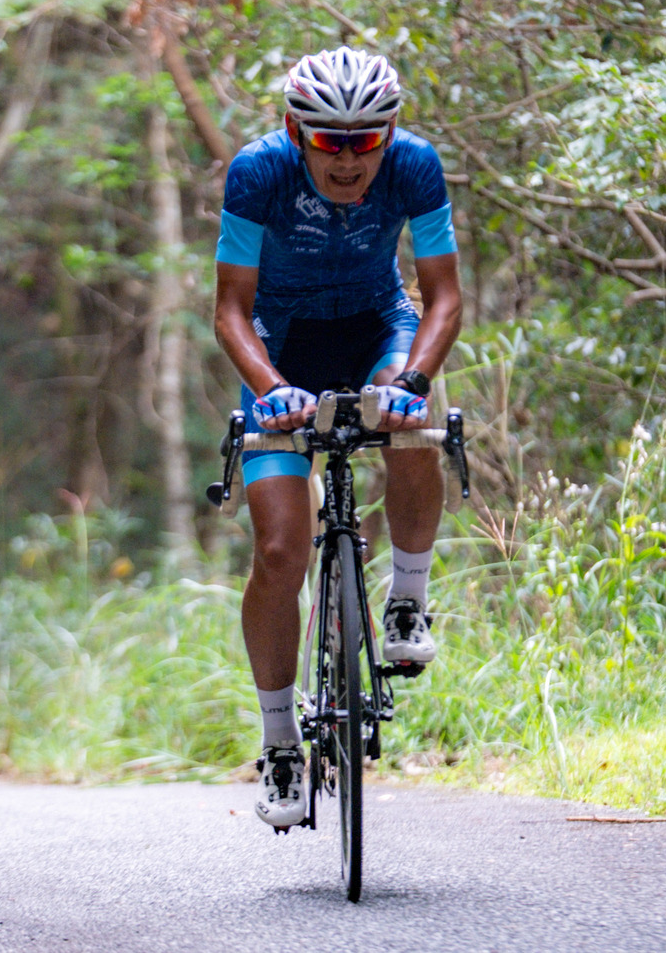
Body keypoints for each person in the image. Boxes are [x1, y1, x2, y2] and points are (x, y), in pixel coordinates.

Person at [213, 47, 462, 828]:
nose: (351, 159)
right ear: (295, 131)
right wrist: (270, 388)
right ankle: (282, 740)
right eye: (330, 142)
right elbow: (230, 310)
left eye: (368, 140)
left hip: (374, 329)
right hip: (280, 348)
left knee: (416, 428)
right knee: (281, 549)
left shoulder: (414, 165)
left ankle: (407, 601)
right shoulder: (258, 173)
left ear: (390, 132)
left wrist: (411, 382)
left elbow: (444, 297)